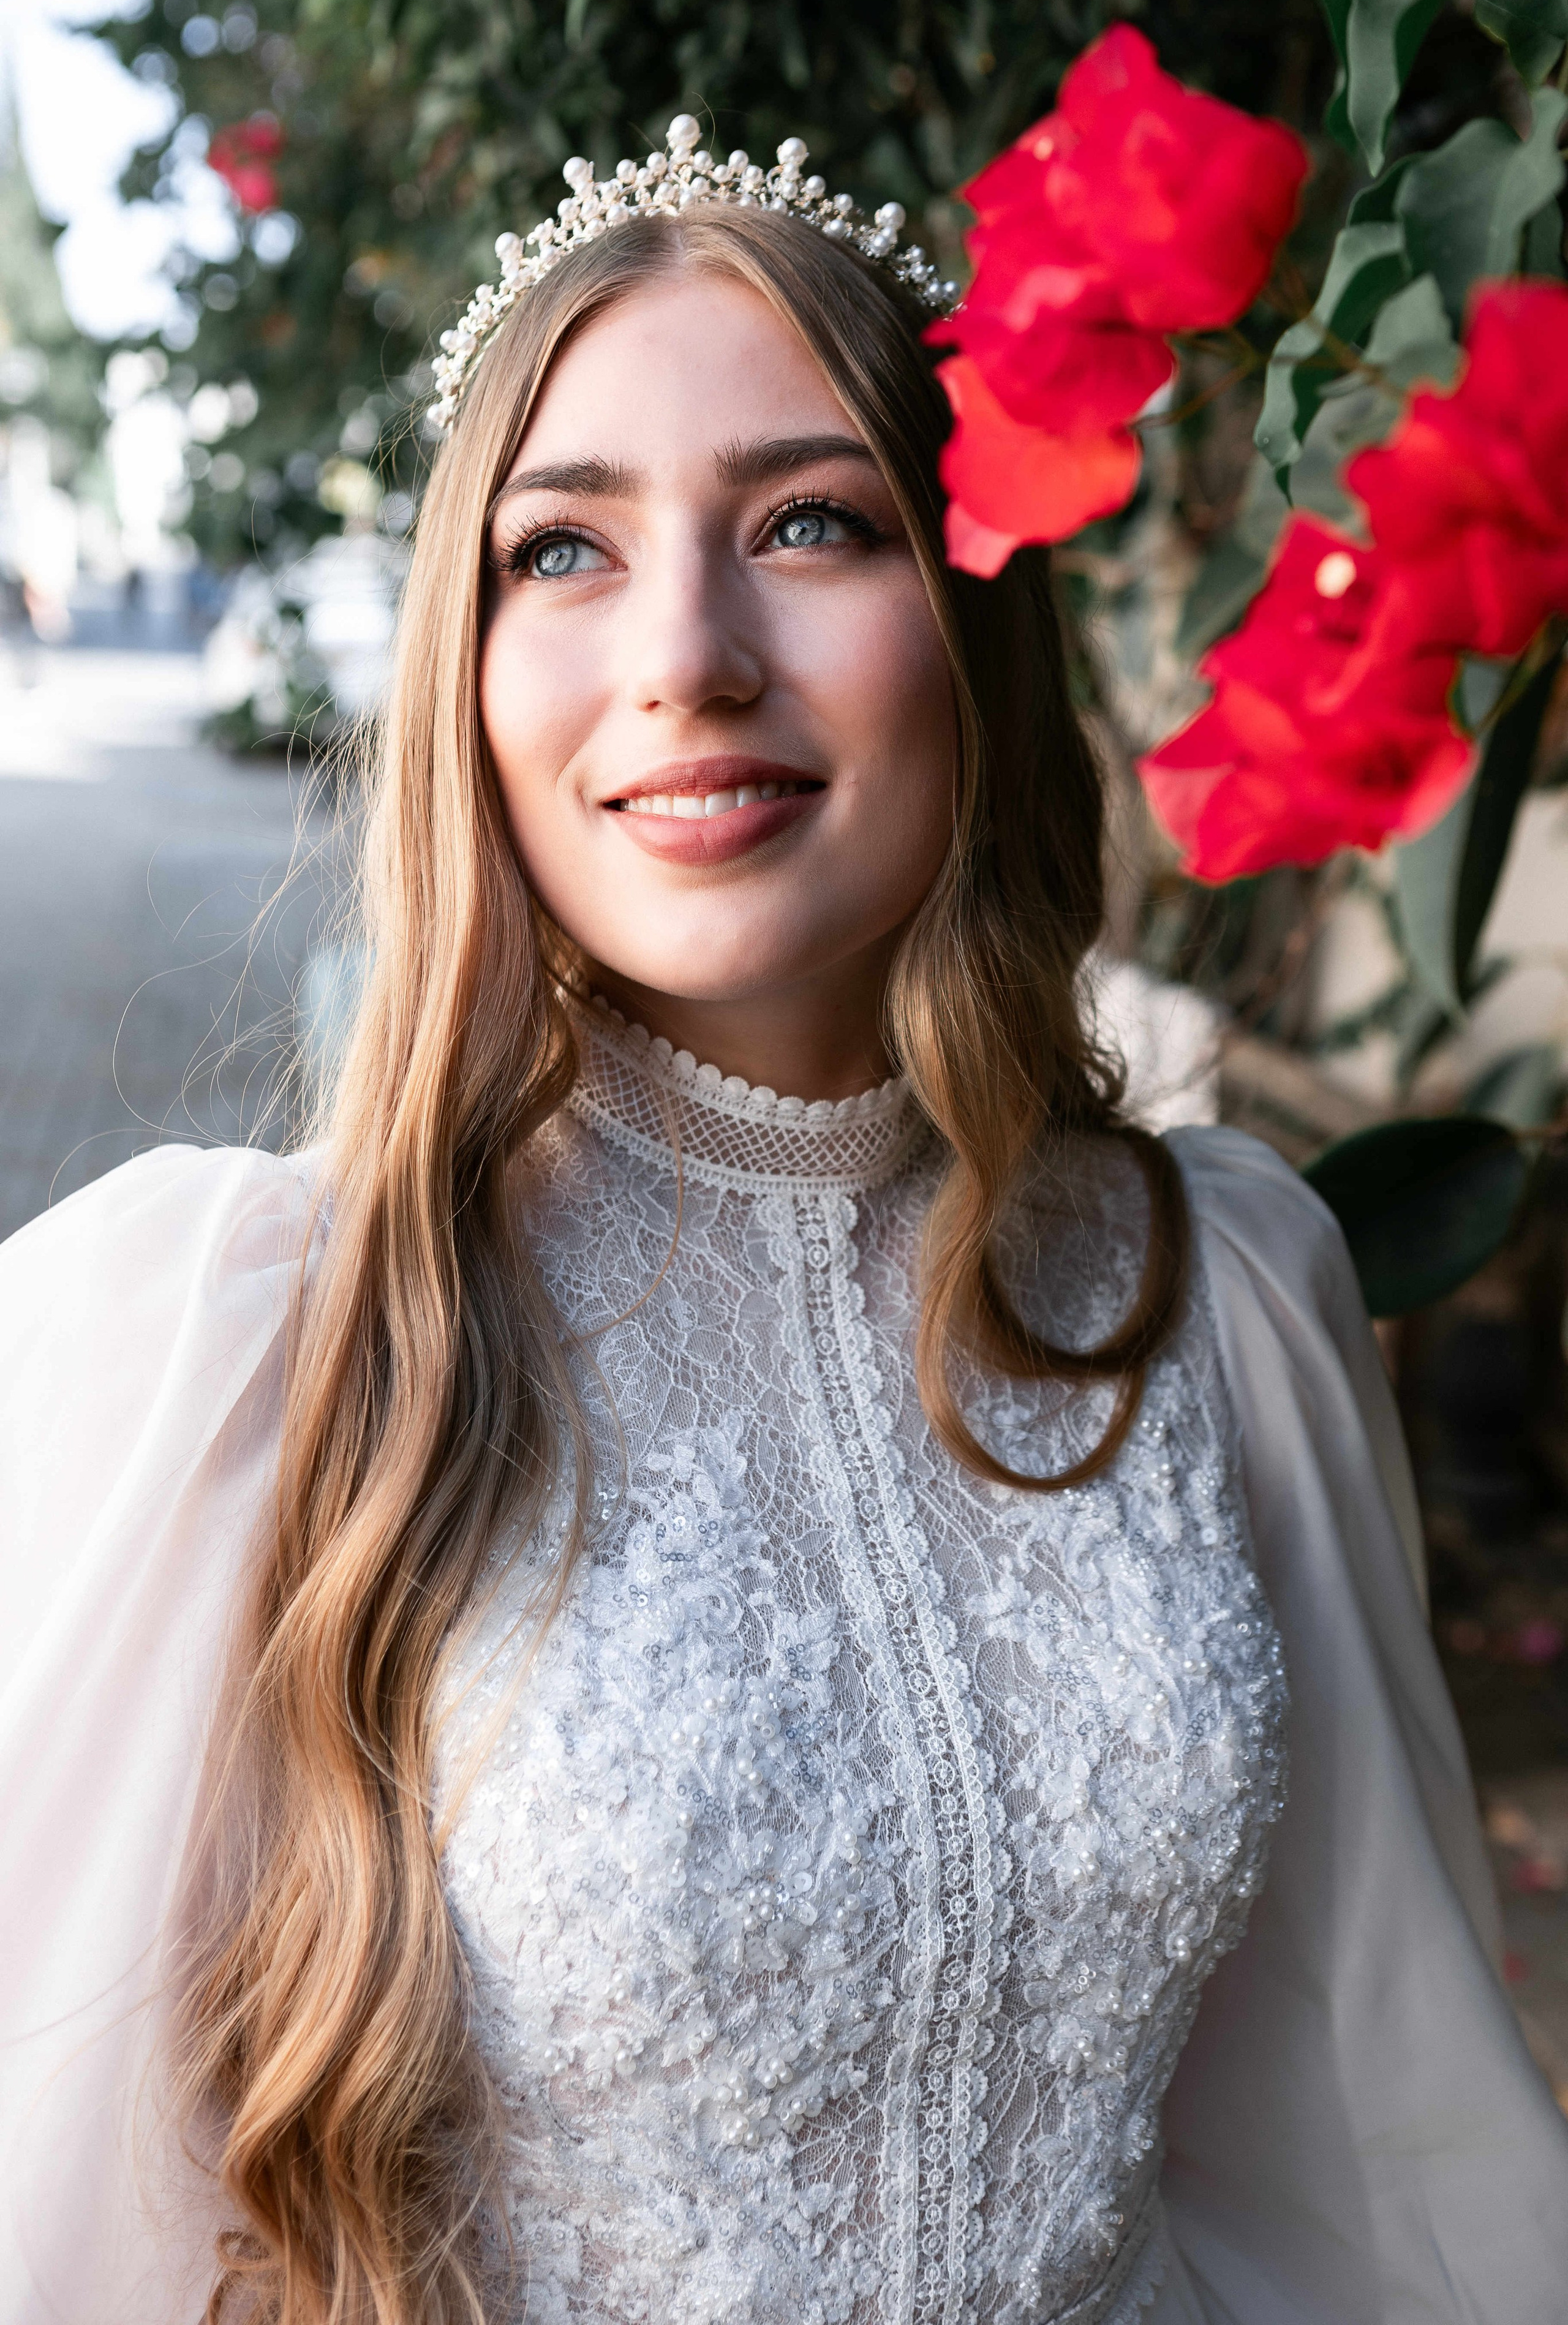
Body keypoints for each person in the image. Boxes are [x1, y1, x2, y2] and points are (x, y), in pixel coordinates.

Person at [1, 121, 1564, 2325]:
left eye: (811, 523)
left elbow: (1371, 2130)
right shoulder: (250, 1337)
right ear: (461, 668)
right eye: (563, 552)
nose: (687, 656)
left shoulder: (1222, 1294)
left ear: (971, 612)